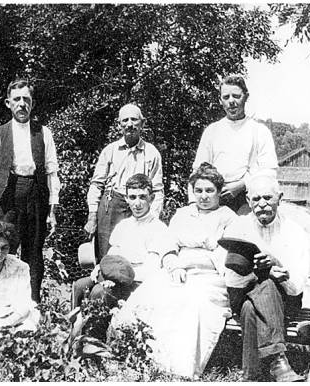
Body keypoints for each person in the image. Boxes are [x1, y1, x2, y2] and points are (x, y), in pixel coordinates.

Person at [111, 163, 237, 379]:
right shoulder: (182, 214)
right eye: (199, 191)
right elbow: (168, 248)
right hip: (178, 270)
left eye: (209, 191)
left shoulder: (228, 217)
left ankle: (179, 366)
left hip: (210, 276)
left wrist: (207, 247)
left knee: (191, 303)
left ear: (218, 192)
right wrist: (174, 265)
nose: (204, 196)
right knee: (150, 295)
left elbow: (226, 254)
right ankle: (138, 354)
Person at [0, 79, 61, 303]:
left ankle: (31, 306)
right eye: (17, 99)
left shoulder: (44, 133)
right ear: (8, 103)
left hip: (36, 193)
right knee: (1, 249)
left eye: (26, 99)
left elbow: (52, 173)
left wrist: (52, 210)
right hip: (8, 194)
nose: (22, 104)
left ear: (32, 104)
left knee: (33, 253)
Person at [223, 175, 310, 382]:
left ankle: (252, 377)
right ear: (247, 200)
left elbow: (296, 288)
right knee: (261, 286)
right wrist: (257, 274)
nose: (262, 204)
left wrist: (276, 268)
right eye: (256, 199)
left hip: (285, 304)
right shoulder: (238, 228)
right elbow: (230, 281)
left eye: (268, 198)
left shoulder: (294, 232)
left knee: (256, 301)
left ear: (280, 198)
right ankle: (278, 361)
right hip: (242, 295)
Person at [72, 173, 174, 310]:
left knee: (99, 292)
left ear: (152, 198)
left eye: (142, 197)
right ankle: (73, 328)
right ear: (126, 199)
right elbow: (112, 256)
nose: (137, 203)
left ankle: (95, 331)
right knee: (79, 286)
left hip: (135, 281)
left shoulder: (158, 229)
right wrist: (100, 269)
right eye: (132, 197)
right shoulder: (123, 225)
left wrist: (116, 277)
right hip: (114, 275)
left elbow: (150, 270)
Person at [84, 103, 164, 262]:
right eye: (125, 120)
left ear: (143, 123)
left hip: (140, 205)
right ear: (119, 124)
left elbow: (157, 190)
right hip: (112, 207)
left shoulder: (152, 153)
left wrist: (152, 218)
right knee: (108, 256)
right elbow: (96, 185)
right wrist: (92, 216)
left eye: (134, 119)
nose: (129, 124)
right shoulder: (110, 150)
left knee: (137, 251)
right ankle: (104, 285)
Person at [190, 75, 278, 214]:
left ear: (246, 96)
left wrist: (241, 185)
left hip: (248, 199)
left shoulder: (259, 131)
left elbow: (269, 171)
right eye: (226, 97)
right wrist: (194, 204)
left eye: (236, 96)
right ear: (220, 100)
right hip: (215, 199)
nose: (231, 101)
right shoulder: (212, 131)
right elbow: (198, 170)